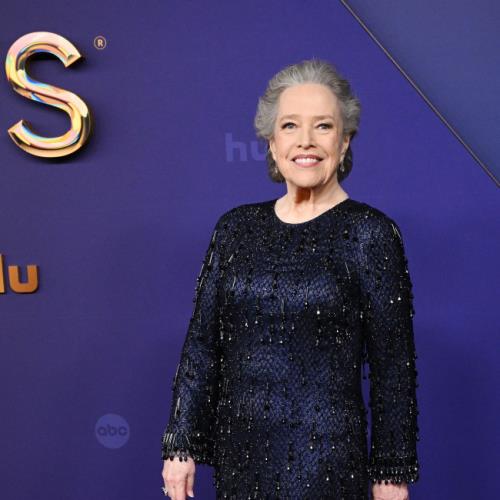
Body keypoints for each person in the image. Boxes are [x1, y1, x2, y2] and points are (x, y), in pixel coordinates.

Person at [160, 58, 420, 500]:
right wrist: (180, 445)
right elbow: (202, 345)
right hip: (239, 463)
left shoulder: (370, 234)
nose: (305, 141)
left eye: (323, 126)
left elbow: (393, 367)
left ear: (345, 140)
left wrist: (390, 474)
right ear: (271, 141)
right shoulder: (235, 228)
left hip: (327, 465)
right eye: (290, 126)